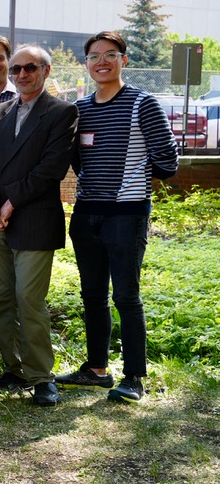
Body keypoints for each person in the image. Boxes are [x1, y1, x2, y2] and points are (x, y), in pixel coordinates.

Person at [57, 31, 178, 403]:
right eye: (94, 56)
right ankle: (96, 370)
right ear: (86, 64)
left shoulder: (144, 103)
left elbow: (168, 162)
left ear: (124, 60)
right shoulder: (80, 109)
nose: (102, 62)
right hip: (86, 212)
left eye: (110, 54)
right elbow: (77, 160)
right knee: (93, 294)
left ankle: (134, 378)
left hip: (127, 214)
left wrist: (133, 177)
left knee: (127, 296)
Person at [0, 46, 78, 407]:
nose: (21, 74)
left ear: (46, 71)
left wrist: (9, 203)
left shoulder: (62, 112)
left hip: (32, 220)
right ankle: (14, 369)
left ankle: (40, 375)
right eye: (16, 69)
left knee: (28, 300)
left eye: (29, 68)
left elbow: (50, 169)